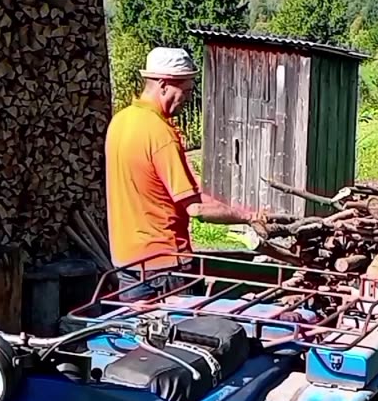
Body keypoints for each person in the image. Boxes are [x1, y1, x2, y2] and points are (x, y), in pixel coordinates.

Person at [104, 46, 263, 300]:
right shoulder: (159, 133)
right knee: (187, 336)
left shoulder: (120, 122)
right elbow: (195, 208)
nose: (187, 98)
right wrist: (249, 217)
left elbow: (178, 187)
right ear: (164, 85)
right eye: (186, 90)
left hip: (127, 262)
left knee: (138, 335)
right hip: (165, 264)